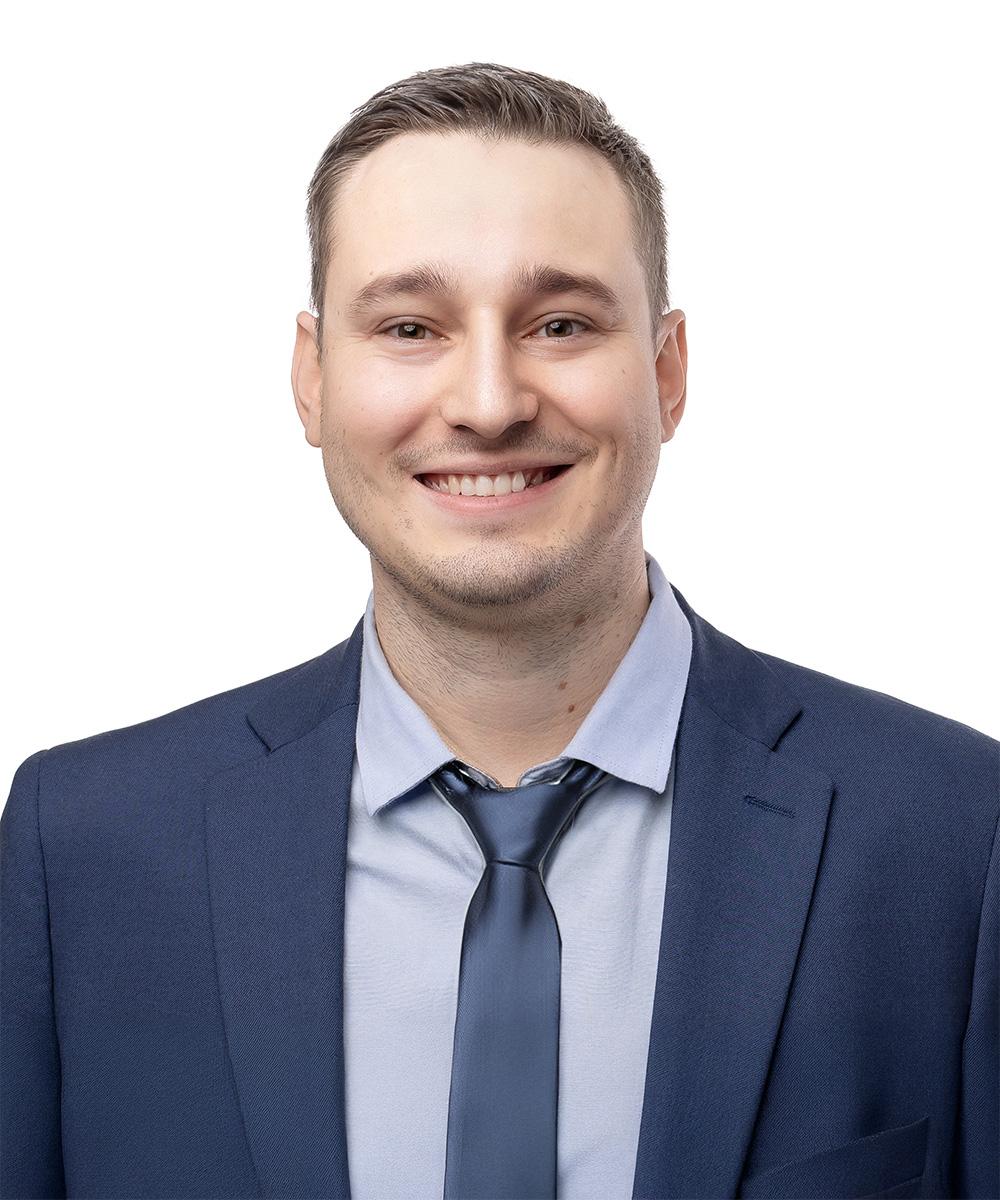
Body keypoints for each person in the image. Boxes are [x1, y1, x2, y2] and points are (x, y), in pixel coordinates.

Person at [1, 60, 996, 1200]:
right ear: (312, 379)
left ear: (667, 372)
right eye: (410, 326)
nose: (488, 402)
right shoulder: (83, 853)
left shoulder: (955, 842)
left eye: (560, 323)